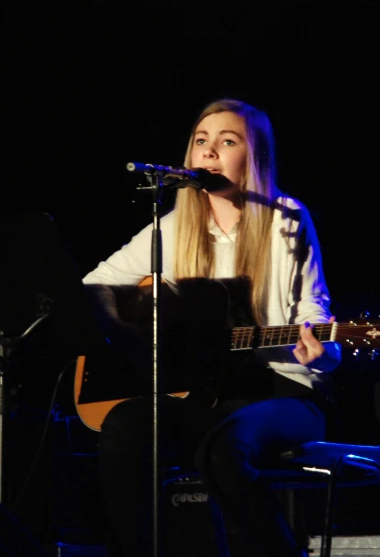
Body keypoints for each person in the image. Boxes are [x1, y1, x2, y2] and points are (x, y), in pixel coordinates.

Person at [81, 98, 341, 557]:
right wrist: (128, 335)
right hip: (208, 392)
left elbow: (311, 310)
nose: (209, 152)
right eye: (201, 142)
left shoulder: (287, 218)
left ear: (254, 155)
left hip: (285, 391)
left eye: (227, 141)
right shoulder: (175, 227)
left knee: (223, 449)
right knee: (124, 427)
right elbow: (95, 284)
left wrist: (322, 349)